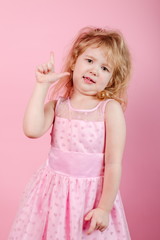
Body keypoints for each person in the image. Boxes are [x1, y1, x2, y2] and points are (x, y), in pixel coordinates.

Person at [8, 26, 132, 239]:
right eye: (90, 61)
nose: (94, 70)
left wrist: (104, 207)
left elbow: (113, 163)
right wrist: (41, 86)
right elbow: (31, 129)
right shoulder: (58, 106)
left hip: (91, 197)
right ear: (75, 62)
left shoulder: (109, 109)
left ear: (112, 79)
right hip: (53, 194)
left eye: (105, 68)